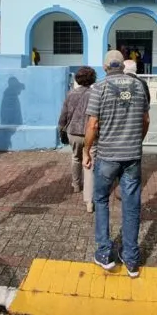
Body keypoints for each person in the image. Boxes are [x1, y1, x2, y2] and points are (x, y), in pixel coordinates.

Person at [83, 50, 150, 278]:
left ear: (104, 67)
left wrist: (86, 150)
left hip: (107, 155)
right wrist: (136, 141)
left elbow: (93, 125)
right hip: (132, 156)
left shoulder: (98, 88)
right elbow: (145, 120)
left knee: (101, 200)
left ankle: (104, 253)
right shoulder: (139, 86)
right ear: (123, 66)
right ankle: (131, 259)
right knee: (131, 205)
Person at [58, 66, 97, 212]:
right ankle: (89, 200)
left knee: (76, 158)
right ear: (93, 78)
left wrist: (61, 128)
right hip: (90, 133)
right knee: (90, 163)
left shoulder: (71, 94)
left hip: (73, 131)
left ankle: (76, 185)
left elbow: (64, 115)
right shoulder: (95, 94)